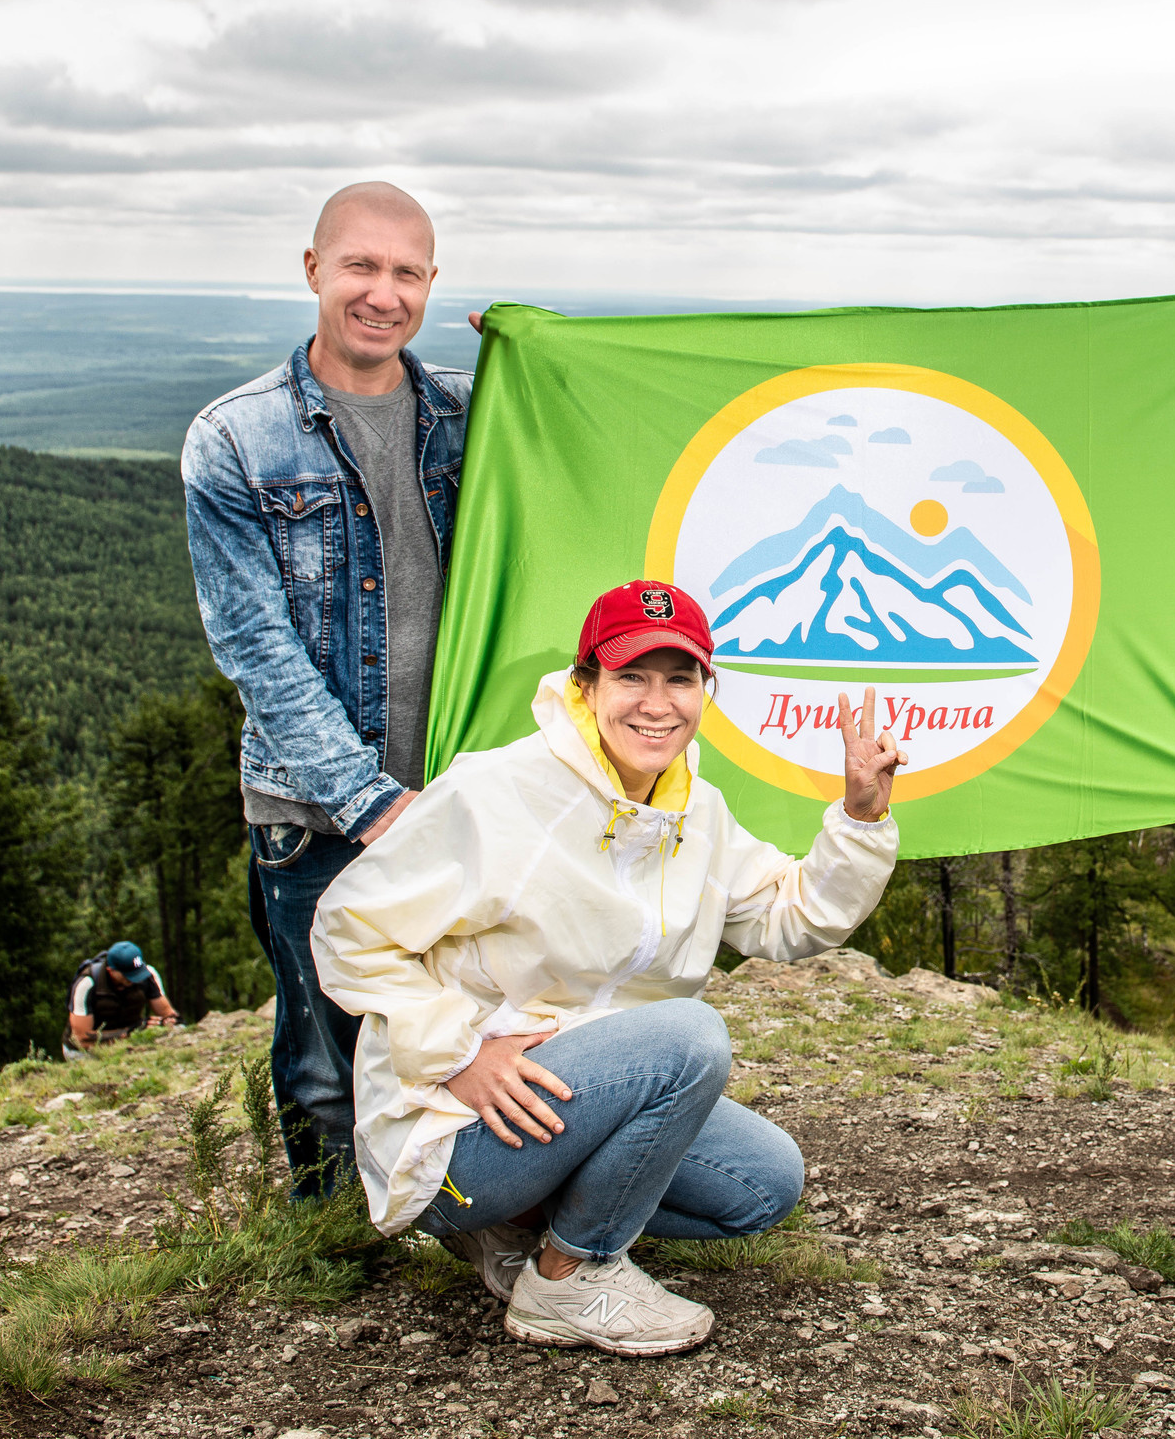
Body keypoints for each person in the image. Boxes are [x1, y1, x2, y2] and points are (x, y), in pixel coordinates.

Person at [311, 579, 904, 1357]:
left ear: (705, 691)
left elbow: (792, 917)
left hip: (577, 1104)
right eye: (632, 676)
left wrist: (861, 816)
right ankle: (569, 1275)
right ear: (586, 687)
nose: (656, 703)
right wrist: (456, 1053)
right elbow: (348, 926)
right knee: (690, 1038)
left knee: (765, 1183)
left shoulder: (698, 814)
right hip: (459, 1131)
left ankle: (522, 1230)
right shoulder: (498, 792)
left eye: (679, 677)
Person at [182, 181, 473, 1197]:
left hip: (456, 797)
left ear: (431, 284)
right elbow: (254, 645)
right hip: (313, 813)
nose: (380, 292)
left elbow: (585, 461)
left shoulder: (469, 418)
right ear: (313, 269)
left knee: (461, 1020)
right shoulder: (235, 439)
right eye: (359, 265)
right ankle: (328, 1234)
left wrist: (540, 363)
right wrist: (367, 798)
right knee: (322, 1054)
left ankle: (447, 1208)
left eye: (404, 272)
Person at [64, 940, 180, 1057]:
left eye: (138, 972)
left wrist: (167, 1022)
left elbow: (167, 1014)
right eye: (129, 975)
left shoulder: (148, 974)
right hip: (85, 1050)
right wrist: (130, 1032)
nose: (136, 979)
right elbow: (82, 1038)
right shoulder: (87, 983)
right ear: (111, 971)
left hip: (129, 1042)